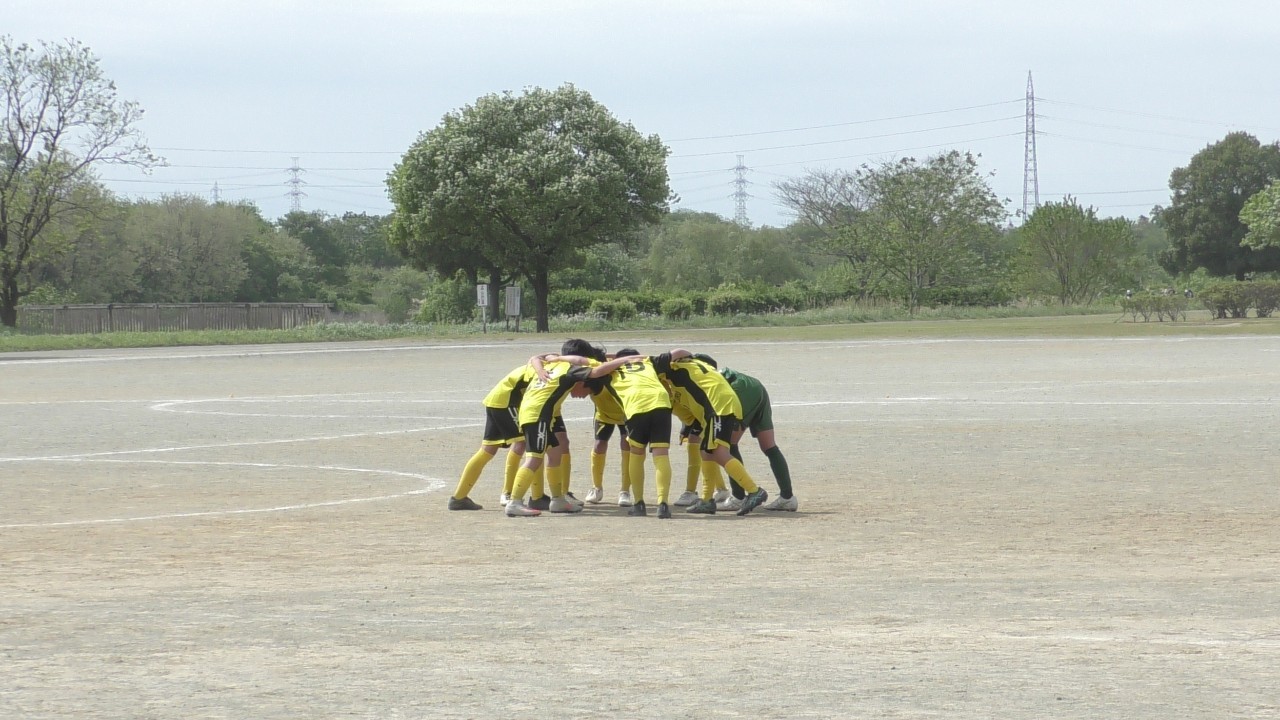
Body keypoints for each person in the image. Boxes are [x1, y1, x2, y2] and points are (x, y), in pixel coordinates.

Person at [540, 348, 676, 518]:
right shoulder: (648, 362)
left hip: (634, 406)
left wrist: (556, 357)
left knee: (636, 453)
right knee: (661, 455)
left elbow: (580, 360)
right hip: (660, 403)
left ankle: (638, 503)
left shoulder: (610, 368)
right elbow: (676, 353)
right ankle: (662, 504)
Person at [648, 349, 769, 516]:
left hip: (718, 407)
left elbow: (664, 357)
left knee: (719, 453)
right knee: (706, 452)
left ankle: (754, 491)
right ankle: (706, 500)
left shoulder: (674, 368)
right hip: (719, 406)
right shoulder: (692, 367)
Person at [695, 353, 798, 512]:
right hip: (756, 387)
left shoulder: (705, 379)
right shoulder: (722, 373)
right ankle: (787, 497)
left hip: (740, 390)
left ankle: (738, 497)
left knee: (726, 445)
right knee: (769, 447)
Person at [504, 357, 594, 517]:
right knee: (533, 459)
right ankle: (514, 502)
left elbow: (535, 358)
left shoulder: (552, 365)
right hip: (536, 416)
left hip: (540, 416)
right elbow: (592, 368)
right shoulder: (567, 369)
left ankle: (557, 500)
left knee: (555, 452)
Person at [447, 363, 535, 511]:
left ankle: (459, 497)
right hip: (507, 401)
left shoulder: (545, 361)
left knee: (488, 449)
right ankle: (508, 494)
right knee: (523, 442)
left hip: (497, 399)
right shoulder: (551, 367)